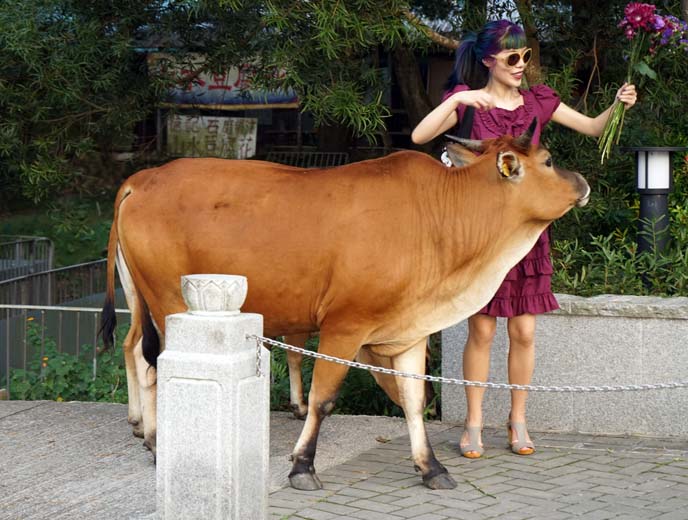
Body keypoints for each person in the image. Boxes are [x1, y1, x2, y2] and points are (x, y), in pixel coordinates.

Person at [411, 19, 637, 458]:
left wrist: (618, 105)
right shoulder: (468, 104)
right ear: (488, 61)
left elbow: (593, 127)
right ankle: (473, 423)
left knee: (525, 331)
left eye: (525, 56)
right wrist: (460, 97)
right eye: (512, 57)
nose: (521, 64)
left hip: (528, 233)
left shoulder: (537, 102)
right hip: (482, 236)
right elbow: (420, 136)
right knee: (480, 330)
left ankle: (518, 420)